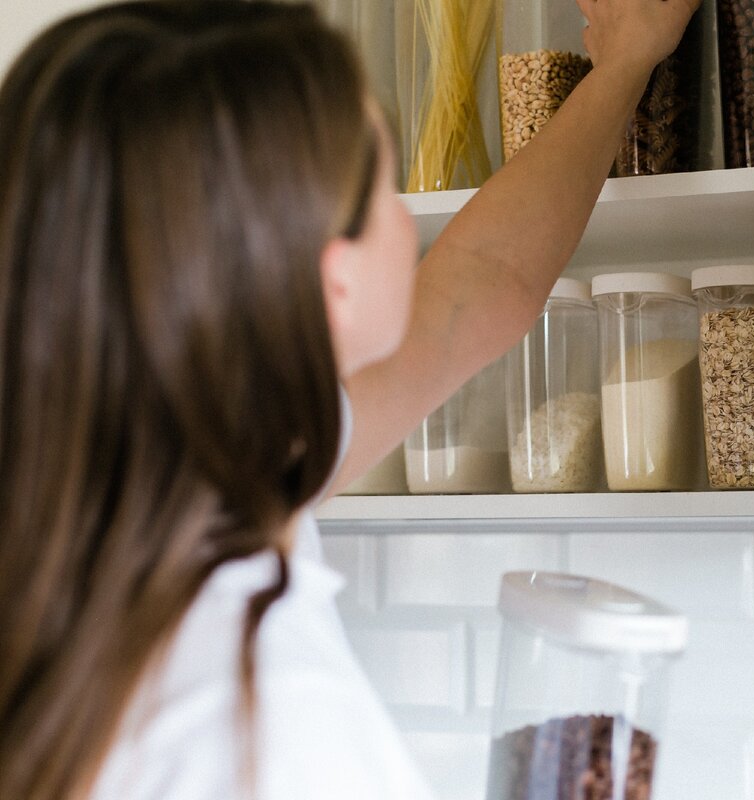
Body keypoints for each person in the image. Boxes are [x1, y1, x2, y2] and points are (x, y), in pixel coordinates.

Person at [0, 0, 699, 797]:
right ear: (333, 276)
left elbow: (477, 293)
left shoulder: (177, 487)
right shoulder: (275, 732)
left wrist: (625, 66)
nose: (408, 226)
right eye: (383, 183)